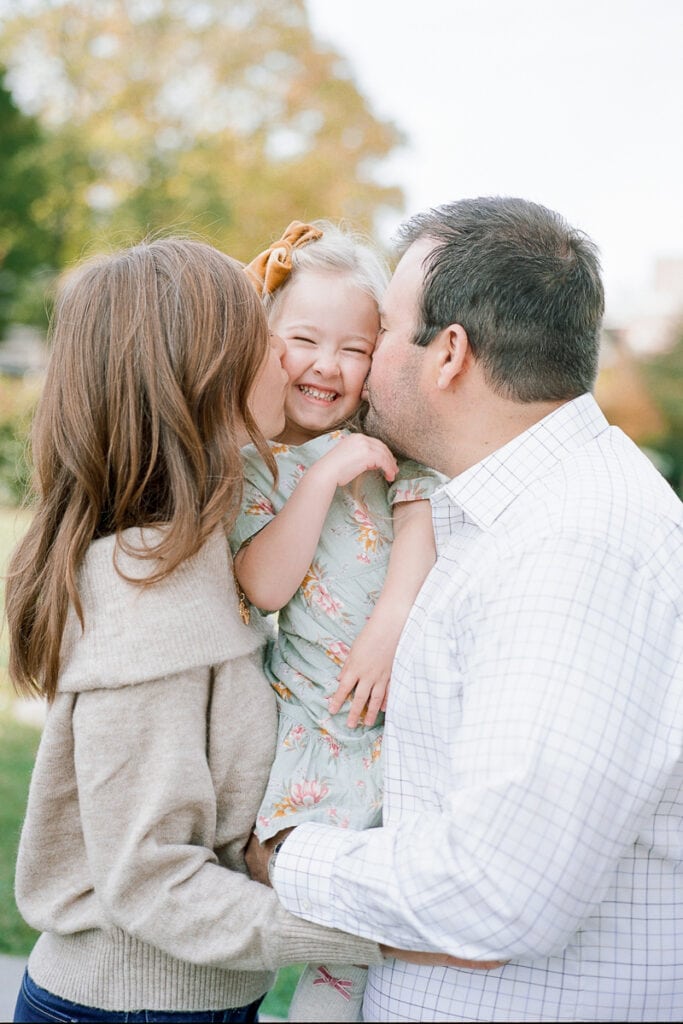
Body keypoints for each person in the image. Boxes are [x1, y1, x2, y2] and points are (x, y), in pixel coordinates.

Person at [246, 197, 683, 1022]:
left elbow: (496, 890)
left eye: (381, 334)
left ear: (447, 354)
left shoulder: (572, 548)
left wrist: (283, 856)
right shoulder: (509, 514)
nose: (360, 365)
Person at [4, 237, 404, 1024]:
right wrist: (382, 933)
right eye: (266, 340)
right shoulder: (150, 594)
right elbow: (152, 882)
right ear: (204, 378)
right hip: (133, 1006)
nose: (291, 364)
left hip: (184, 999)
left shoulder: (202, 540)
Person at [232, 221, 444, 1021]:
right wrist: (321, 478)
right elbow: (262, 582)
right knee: (320, 933)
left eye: (353, 348)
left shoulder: (385, 438)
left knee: (366, 947)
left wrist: (391, 619)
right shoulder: (252, 459)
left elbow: (422, 506)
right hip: (315, 730)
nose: (326, 365)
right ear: (265, 341)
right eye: (303, 340)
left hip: (400, 721)